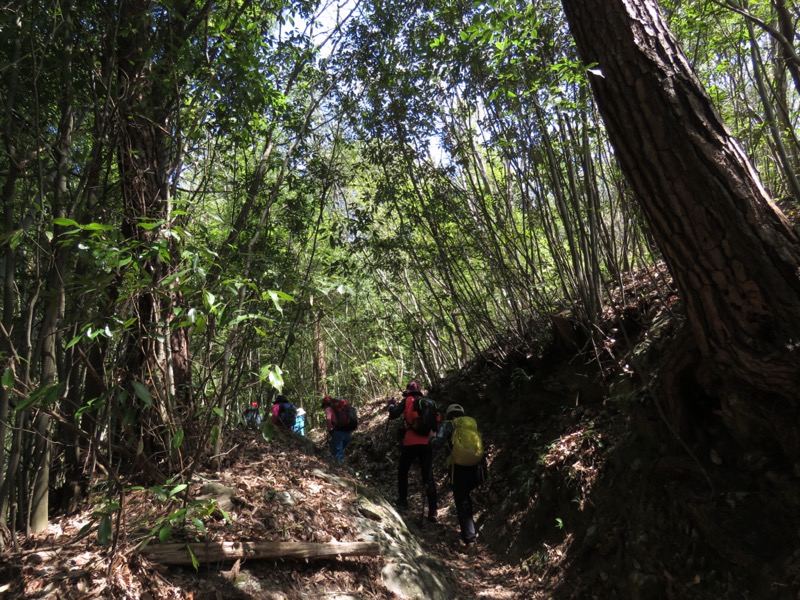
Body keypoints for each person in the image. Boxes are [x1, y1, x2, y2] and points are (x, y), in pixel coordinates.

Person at [430, 403, 486, 548]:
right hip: (475, 468)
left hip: (458, 469)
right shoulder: (471, 425)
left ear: (449, 414)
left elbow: (438, 444)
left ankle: (470, 539)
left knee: (462, 502)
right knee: (467, 498)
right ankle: (471, 531)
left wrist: (431, 439)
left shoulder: (448, 424)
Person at [387, 381, 438, 522]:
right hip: (427, 443)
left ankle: (403, 500)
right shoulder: (426, 403)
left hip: (410, 442)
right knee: (428, 476)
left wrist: (391, 405)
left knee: (403, 470)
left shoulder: (407, 401)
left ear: (408, 391)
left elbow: (394, 415)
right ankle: (433, 510)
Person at [322, 395, 353, 461]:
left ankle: (339, 469)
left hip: (338, 433)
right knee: (339, 452)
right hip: (348, 433)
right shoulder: (343, 408)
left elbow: (328, 420)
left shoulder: (329, 409)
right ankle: (342, 467)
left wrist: (329, 430)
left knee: (337, 456)